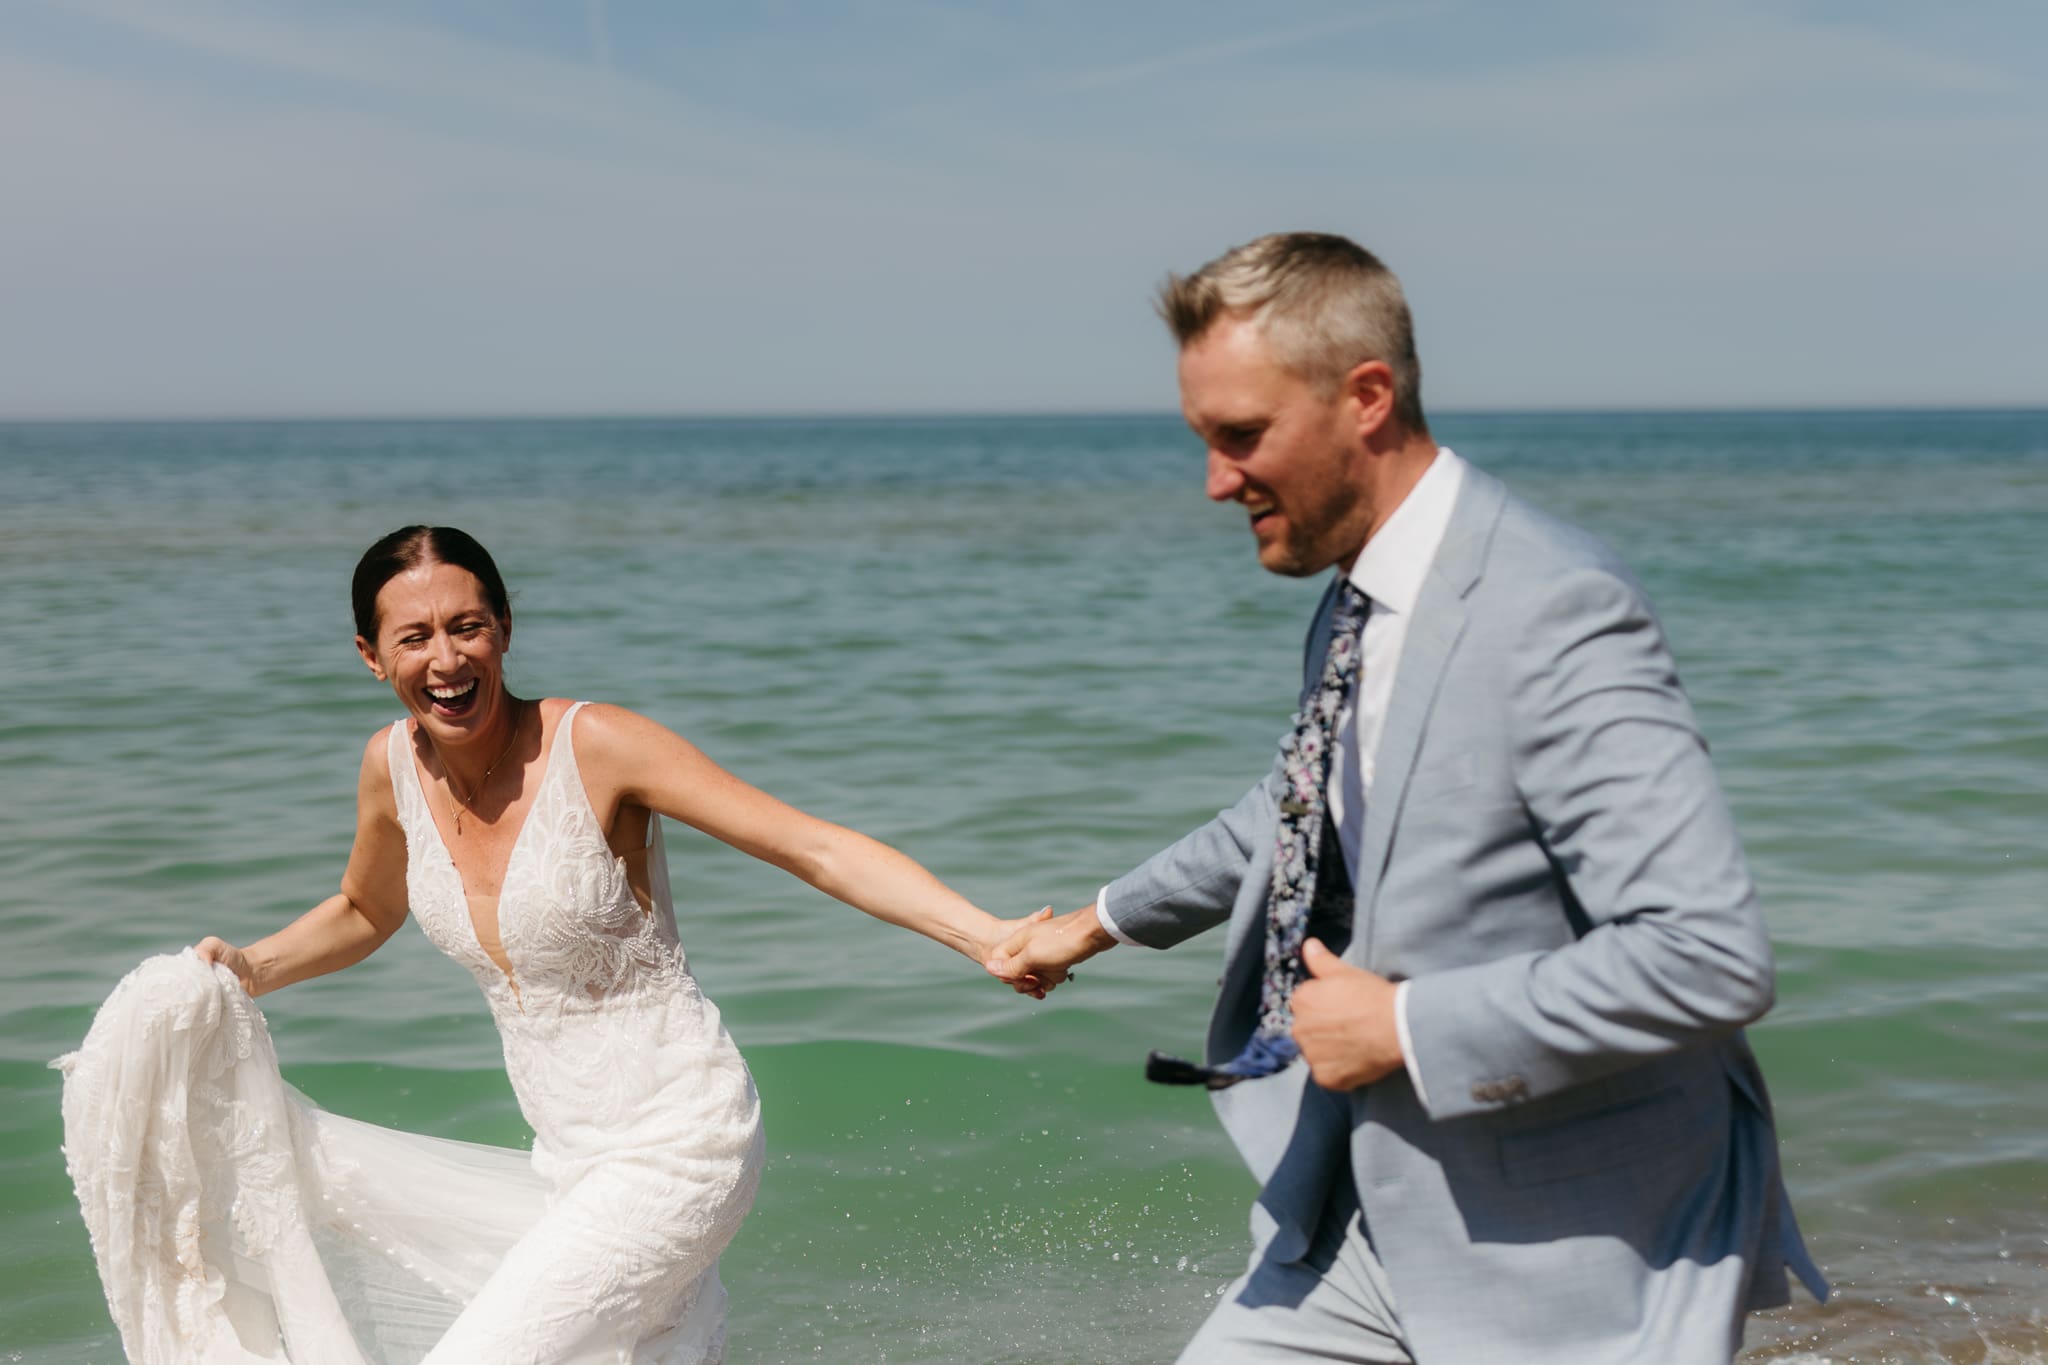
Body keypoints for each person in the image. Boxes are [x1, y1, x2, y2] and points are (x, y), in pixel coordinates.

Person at [985, 232, 1827, 1363]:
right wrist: (1097, 923)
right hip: (1356, 1223)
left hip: (1569, 1248)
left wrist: (1402, 1025)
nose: (1216, 481)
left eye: (1241, 438)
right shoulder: (1362, 598)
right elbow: (1295, 809)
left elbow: (1707, 955)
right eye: (1203, 440)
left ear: (1365, 397)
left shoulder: (1547, 606)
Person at [64, 524, 1052, 1363]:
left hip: (681, 1140)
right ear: (372, 656)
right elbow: (367, 911)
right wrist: (248, 968)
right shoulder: (389, 769)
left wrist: (984, 935)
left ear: (503, 630)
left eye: (468, 627)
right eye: (414, 638)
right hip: (566, 1157)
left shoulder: (596, 746)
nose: (446, 660)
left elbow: (811, 847)